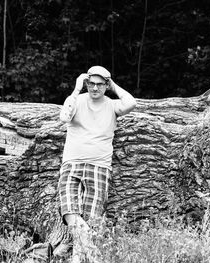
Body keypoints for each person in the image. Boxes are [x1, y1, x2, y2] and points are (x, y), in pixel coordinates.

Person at [58, 65, 137, 262]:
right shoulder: (77, 100)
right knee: (69, 211)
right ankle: (95, 256)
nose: (95, 88)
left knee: (91, 222)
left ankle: (77, 260)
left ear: (106, 85)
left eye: (100, 84)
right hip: (72, 164)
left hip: (99, 167)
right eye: (91, 83)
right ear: (86, 83)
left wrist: (114, 86)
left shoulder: (111, 105)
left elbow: (131, 102)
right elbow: (63, 117)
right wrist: (76, 89)